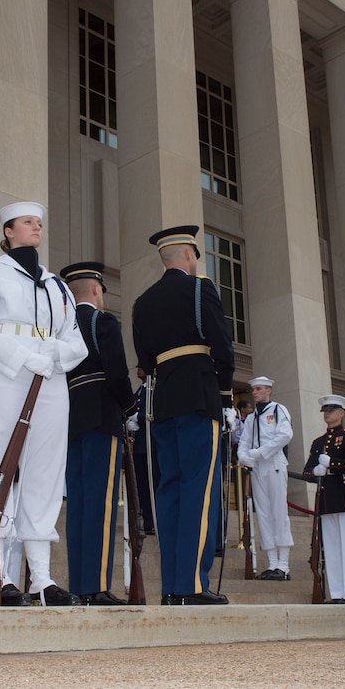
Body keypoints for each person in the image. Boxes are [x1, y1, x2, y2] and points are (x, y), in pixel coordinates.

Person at [0, 201, 88, 607]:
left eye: (39, 221)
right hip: (5, 376)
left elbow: (77, 341)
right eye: (27, 222)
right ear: (9, 232)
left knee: (45, 475)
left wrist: (54, 356)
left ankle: (40, 577)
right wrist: (24, 357)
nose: (36, 226)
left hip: (50, 380)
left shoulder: (57, 285)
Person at [132, 225, 236, 606]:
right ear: (189, 256)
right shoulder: (199, 288)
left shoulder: (142, 301)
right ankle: (192, 584)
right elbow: (222, 346)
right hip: (198, 396)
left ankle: (172, 587)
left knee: (169, 491)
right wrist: (225, 397)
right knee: (198, 489)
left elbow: (144, 363)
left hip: (161, 405)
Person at [61, 261, 136, 605]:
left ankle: (79, 584)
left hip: (70, 420)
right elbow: (118, 373)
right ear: (95, 289)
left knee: (78, 505)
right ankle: (96, 586)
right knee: (101, 504)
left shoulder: (62, 326)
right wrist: (130, 408)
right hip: (102, 417)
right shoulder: (102, 321)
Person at [305, 394, 345, 603]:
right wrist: (316, 472)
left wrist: (332, 463)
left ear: (341, 413)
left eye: (331, 410)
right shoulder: (318, 442)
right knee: (331, 547)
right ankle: (337, 592)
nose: (327, 413)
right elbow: (307, 472)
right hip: (327, 498)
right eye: (325, 410)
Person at [237, 376, 294, 580]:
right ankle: (271, 563)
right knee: (262, 513)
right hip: (257, 467)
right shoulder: (251, 417)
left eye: (259, 389)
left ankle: (284, 565)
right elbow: (244, 441)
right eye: (253, 389)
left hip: (274, 463)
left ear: (268, 390)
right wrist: (243, 456)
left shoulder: (278, 410)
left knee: (279, 511)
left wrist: (260, 452)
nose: (254, 393)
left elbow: (285, 435)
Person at [128, 366, 158, 534]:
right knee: (141, 485)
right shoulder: (140, 390)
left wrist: (137, 417)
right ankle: (147, 521)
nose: (138, 369)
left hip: (152, 444)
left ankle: (154, 520)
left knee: (152, 484)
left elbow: (154, 411)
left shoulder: (154, 388)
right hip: (139, 445)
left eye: (141, 366)